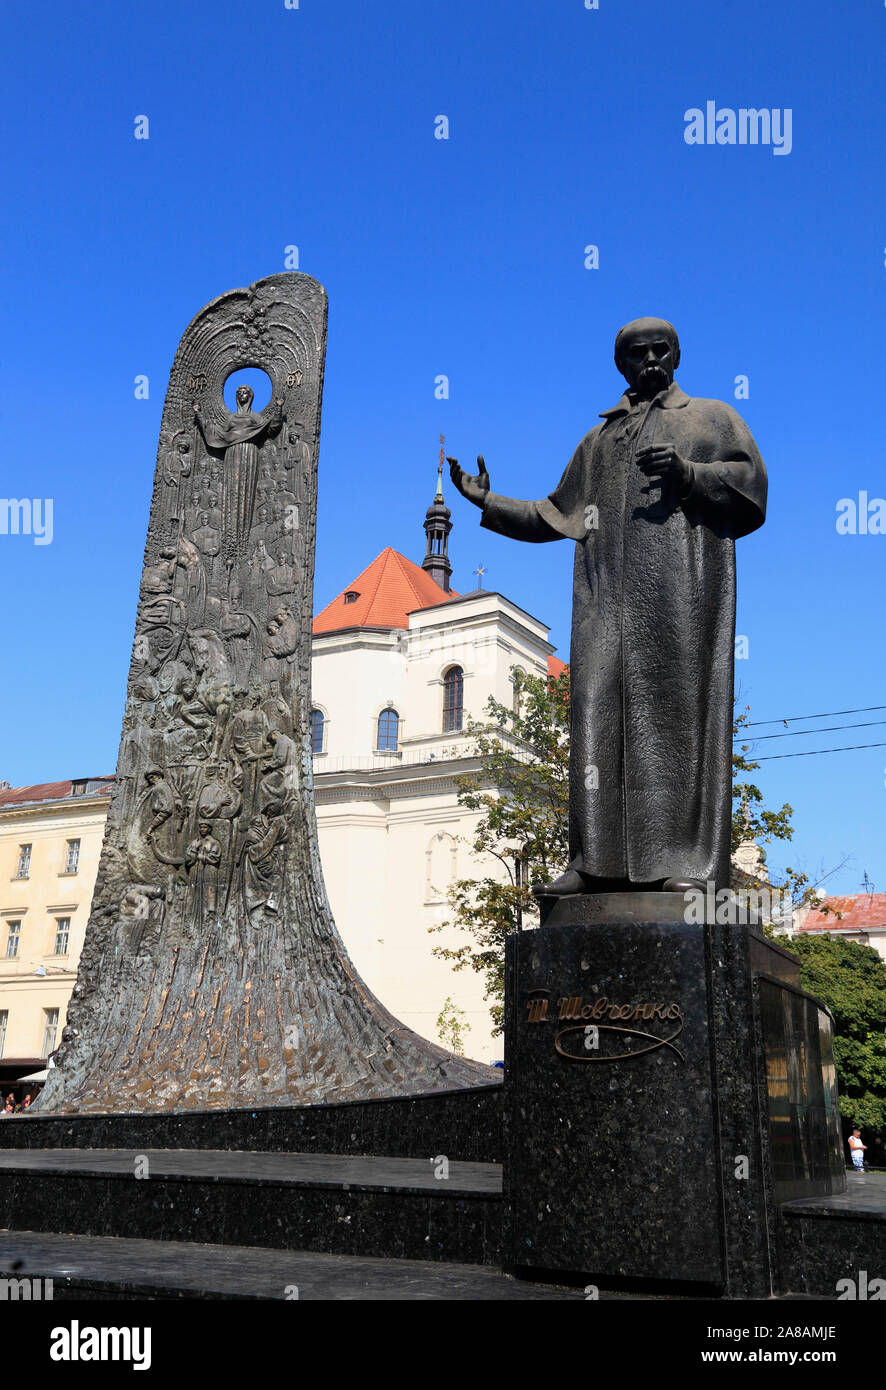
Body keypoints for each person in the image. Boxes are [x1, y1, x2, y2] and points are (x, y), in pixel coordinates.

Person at [448, 317, 767, 896]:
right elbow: (553, 514)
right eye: (636, 354)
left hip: (679, 600)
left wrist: (689, 474)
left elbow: (753, 487)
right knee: (593, 708)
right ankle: (593, 862)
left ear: (676, 355)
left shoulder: (712, 418)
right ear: (621, 365)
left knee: (670, 717)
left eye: (659, 350)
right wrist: (486, 501)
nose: (649, 360)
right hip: (604, 607)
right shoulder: (599, 442)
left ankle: (685, 865)